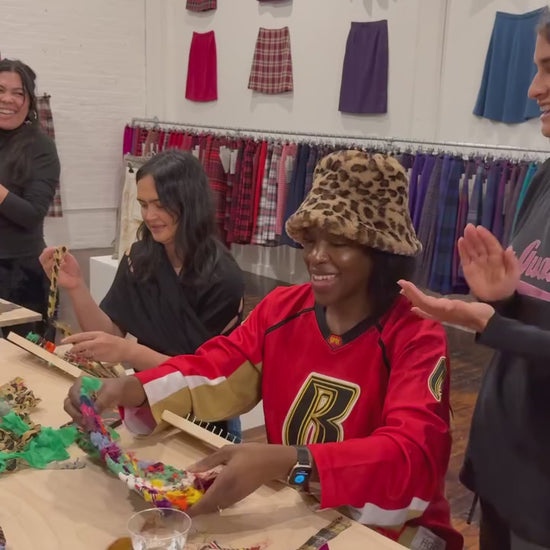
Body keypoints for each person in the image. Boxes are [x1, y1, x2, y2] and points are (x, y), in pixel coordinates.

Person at [64, 150, 463, 550]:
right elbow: (217, 368)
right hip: (302, 510)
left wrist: (290, 462)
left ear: (382, 252)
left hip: (391, 532)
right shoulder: (282, 310)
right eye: (310, 240)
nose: (316, 256)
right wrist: (132, 389)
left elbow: (411, 454)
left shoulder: (416, 336)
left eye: (339, 242)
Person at [398, 14, 550, 550]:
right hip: (505, 467)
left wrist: (494, 324)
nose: (532, 89)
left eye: (548, 68)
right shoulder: (545, 177)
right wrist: (503, 300)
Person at [42, 150, 244, 437]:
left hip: (205, 420)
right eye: (143, 204)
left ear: (190, 203)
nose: (149, 216)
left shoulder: (224, 279)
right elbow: (110, 332)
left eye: (160, 205)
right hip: (150, 406)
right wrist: (76, 286)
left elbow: (202, 377)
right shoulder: (140, 259)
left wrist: (129, 352)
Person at [0, 59, 60, 336]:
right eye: (1, 90)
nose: (7, 99)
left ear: (29, 101)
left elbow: (32, 214)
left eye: (18, 93)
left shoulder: (40, 146)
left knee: (24, 359)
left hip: (24, 276)